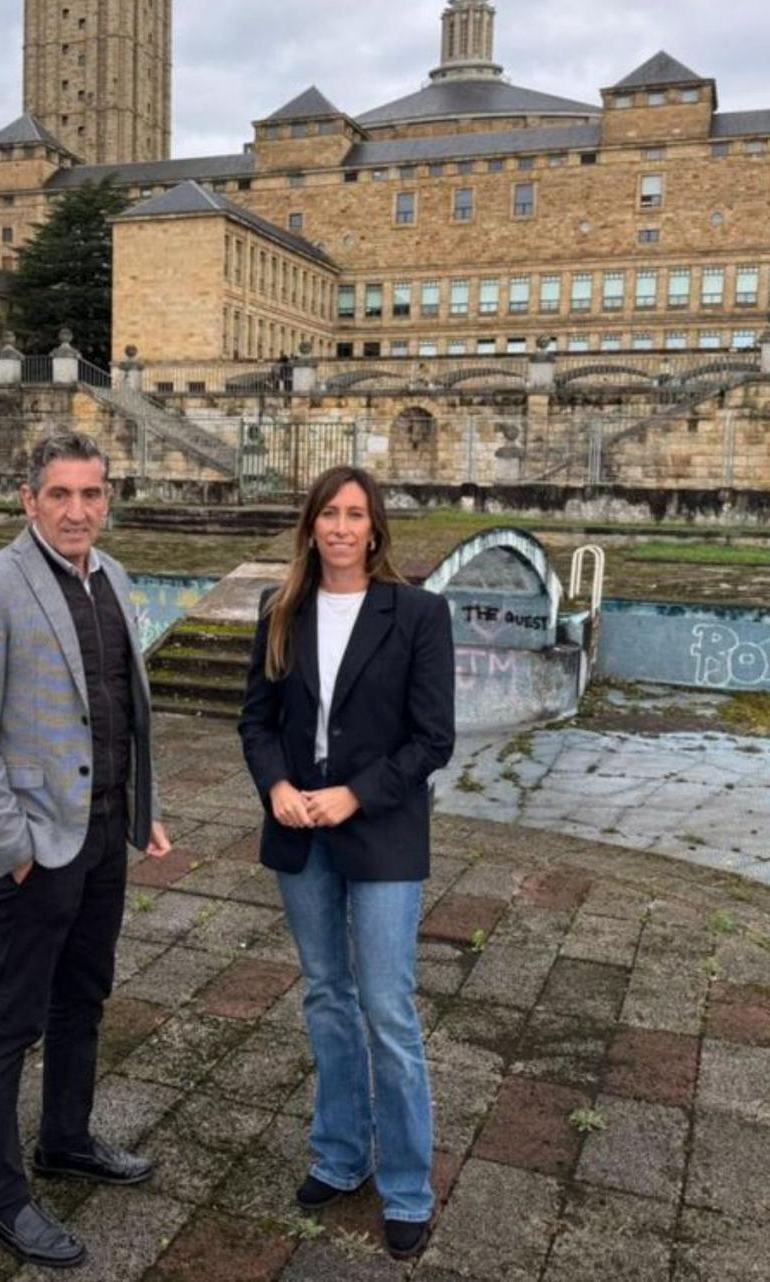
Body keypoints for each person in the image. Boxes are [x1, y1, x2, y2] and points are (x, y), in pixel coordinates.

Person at [0, 431, 172, 1270]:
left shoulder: (112, 578)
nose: (79, 511)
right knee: (8, 1025)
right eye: (62, 495)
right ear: (29, 499)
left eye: (93, 494)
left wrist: (143, 812)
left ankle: (66, 1140)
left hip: (104, 833)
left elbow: (124, 707)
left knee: (85, 996)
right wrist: (13, 847)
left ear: (108, 500)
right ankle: (0, 1201)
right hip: (35, 847)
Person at [238, 465, 455, 1261]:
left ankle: (406, 1187)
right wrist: (278, 785)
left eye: (354, 514)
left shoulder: (419, 614)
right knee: (327, 996)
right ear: (310, 525)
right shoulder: (280, 611)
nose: (339, 527)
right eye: (327, 513)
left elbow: (433, 739)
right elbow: (255, 722)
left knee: (388, 1010)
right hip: (301, 830)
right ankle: (340, 1155)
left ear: (374, 529)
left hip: (381, 830)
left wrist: (354, 796)